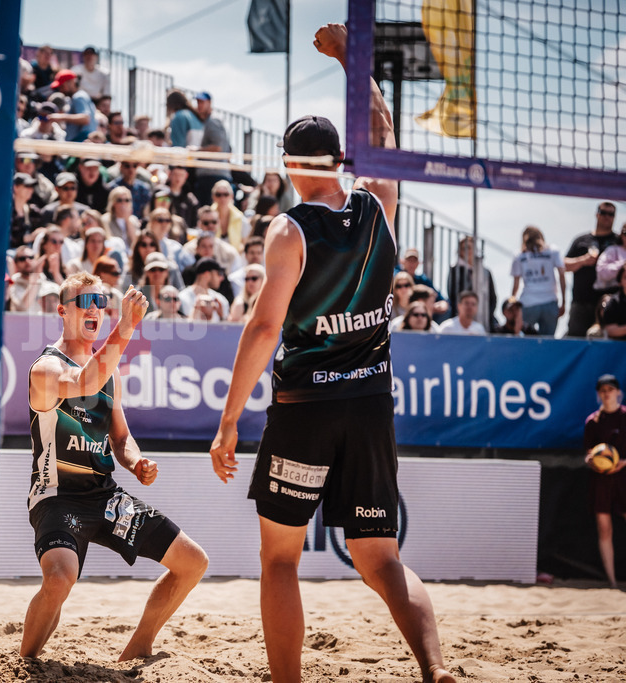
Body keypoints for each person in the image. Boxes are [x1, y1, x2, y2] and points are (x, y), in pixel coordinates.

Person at [209, 23, 455, 683]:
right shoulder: (380, 204)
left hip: (307, 405)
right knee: (380, 558)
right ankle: (434, 666)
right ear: (342, 157)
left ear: (292, 166)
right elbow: (384, 127)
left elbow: (263, 330)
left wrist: (229, 419)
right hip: (372, 402)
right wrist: (353, 58)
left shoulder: (289, 228)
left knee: (281, 560)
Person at [20, 273, 207, 660]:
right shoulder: (46, 369)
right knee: (59, 580)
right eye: (84, 300)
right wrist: (126, 327)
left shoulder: (109, 373)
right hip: (58, 498)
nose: (94, 308)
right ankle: (26, 664)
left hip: (104, 497)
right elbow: (84, 381)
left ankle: (139, 645)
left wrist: (136, 462)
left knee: (193, 563)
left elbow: (120, 438)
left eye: (100, 301)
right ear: (62, 311)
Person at [583, 374, 626, 589]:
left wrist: (623, 462)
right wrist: (593, 461)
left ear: (618, 392)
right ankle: (612, 582)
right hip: (601, 480)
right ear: (599, 394)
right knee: (604, 528)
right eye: (603, 390)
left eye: (611, 389)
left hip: (623, 477)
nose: (607, 393)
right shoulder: (593, 422)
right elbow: (589, 453)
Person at [565, 203, 620, 337]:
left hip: (608, 304)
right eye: (603, 212)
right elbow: (564, 265)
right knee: (575, 341)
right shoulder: (581, 240)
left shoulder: (618, 241)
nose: (607, 217)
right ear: (597, 214)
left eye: (611, 214)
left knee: (608, 345)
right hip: (581, 302)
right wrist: (583, 260)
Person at [510, 226, 565, 335]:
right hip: (550, 302)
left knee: (525, 342)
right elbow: (562, 276)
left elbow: (516, 284)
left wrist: (512, 302)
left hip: (528, 303)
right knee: (547, 343)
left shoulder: (519, 255)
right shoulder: (553, 251)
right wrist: (564, 302)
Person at [46, 70, 97, 143]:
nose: (61, 90)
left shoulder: (78, 97)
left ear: (71, 82)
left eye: (62, 86)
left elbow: (85, 118)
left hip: (81, 141)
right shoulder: (76, 97)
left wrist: (59, 117)